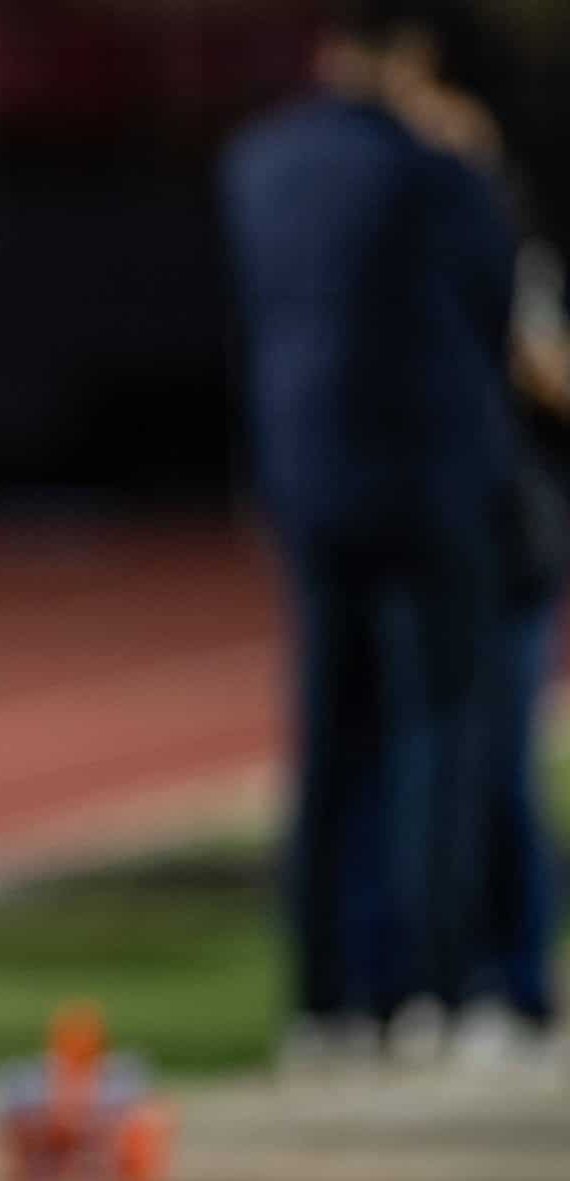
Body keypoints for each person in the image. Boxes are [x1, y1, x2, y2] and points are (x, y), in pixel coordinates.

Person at [221, 0, 519, 1061]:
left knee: (325, 743)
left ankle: (323, 1002)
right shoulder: (433, 163)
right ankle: (438, 991)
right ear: (414, 56)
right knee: (437, 736)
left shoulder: (254, 163)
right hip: (429, 483)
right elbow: (496, 305)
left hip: (306, 480)